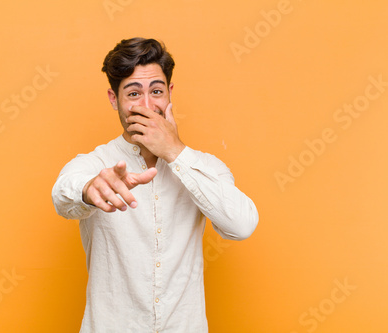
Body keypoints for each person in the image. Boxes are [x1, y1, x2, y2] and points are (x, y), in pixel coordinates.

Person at [52, 37, 259, 333]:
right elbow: (62, 195)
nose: (147, 105)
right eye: (133, 93)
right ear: (114, 99)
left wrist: (174, 152)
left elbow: (241, 226)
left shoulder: (205, 167)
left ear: (169, 94)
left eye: (156, 91)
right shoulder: (94, 164)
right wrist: (89, 190)